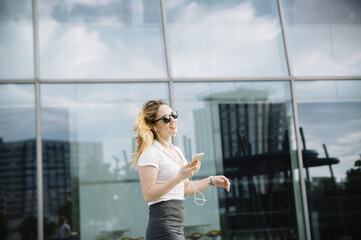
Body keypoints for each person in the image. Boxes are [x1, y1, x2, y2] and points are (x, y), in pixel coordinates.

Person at [131, 100, 230, 239]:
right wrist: (179, 177)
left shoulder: (176, 151)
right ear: (154, 126)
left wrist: (211, 181)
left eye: (174, 114)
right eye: (166, 118)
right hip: (162, 228)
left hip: (177, 228)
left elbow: (184, 187)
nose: (172, 120)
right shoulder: (151, 153)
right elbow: (148, 194)